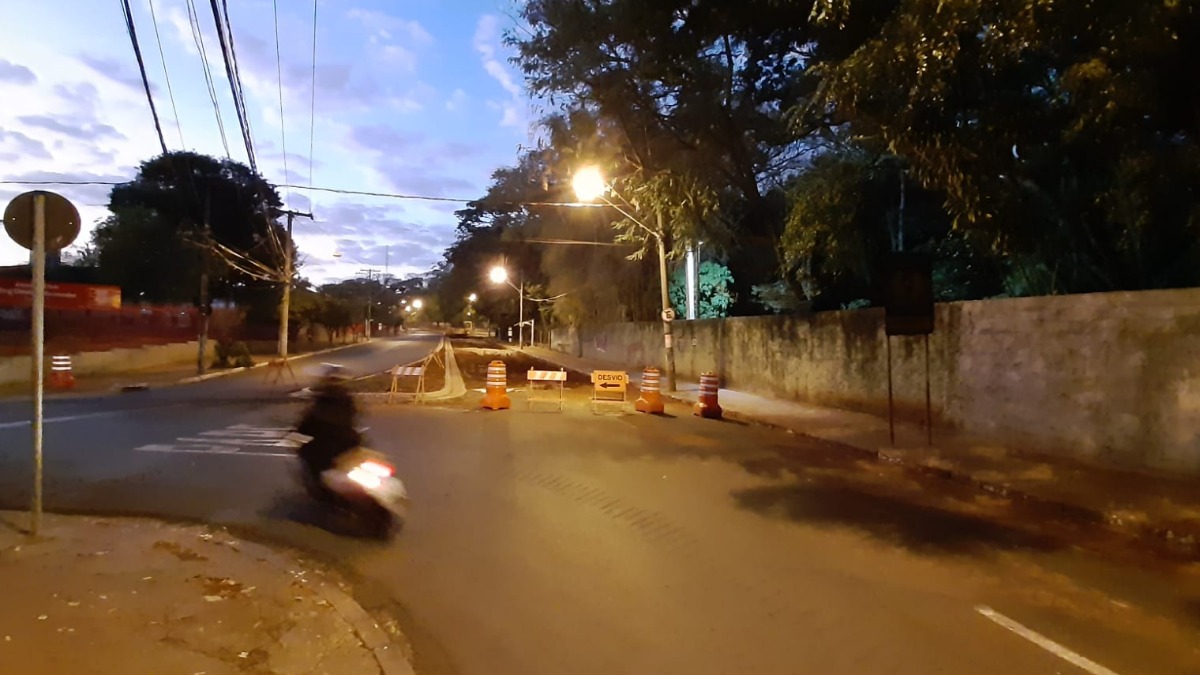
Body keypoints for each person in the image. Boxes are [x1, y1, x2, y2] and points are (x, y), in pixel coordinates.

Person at [295, 365, 362, 489]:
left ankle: (318, 486)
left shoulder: (322, 399)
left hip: (327, 444)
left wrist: (300, 428)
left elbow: (309, 422)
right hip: (350, 441)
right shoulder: (347, 397)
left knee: (307, 453)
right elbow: (355, 415)